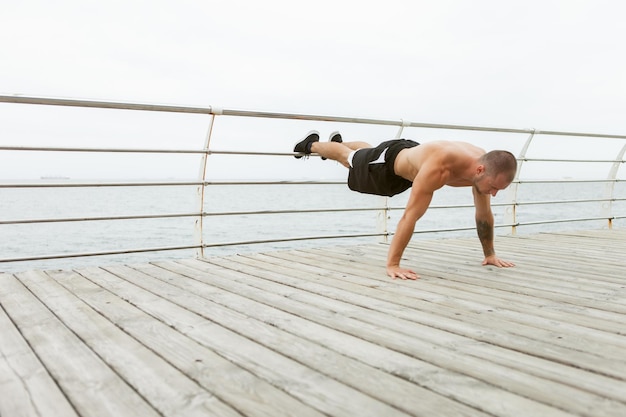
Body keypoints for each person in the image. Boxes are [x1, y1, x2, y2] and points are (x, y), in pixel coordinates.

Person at [294, 130, 518, 280]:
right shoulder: (440, 168)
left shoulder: (484, 166)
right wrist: (393, 265)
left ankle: (335, 145)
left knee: (363, 154)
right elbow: (410, 216)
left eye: (499, 189)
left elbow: (483, 213)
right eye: (494, 187)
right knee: (349, 159)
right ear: (480, 170)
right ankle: (311, 144)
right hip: (389, 167)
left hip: (407, 158)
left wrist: (490, 254)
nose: (495, 194)